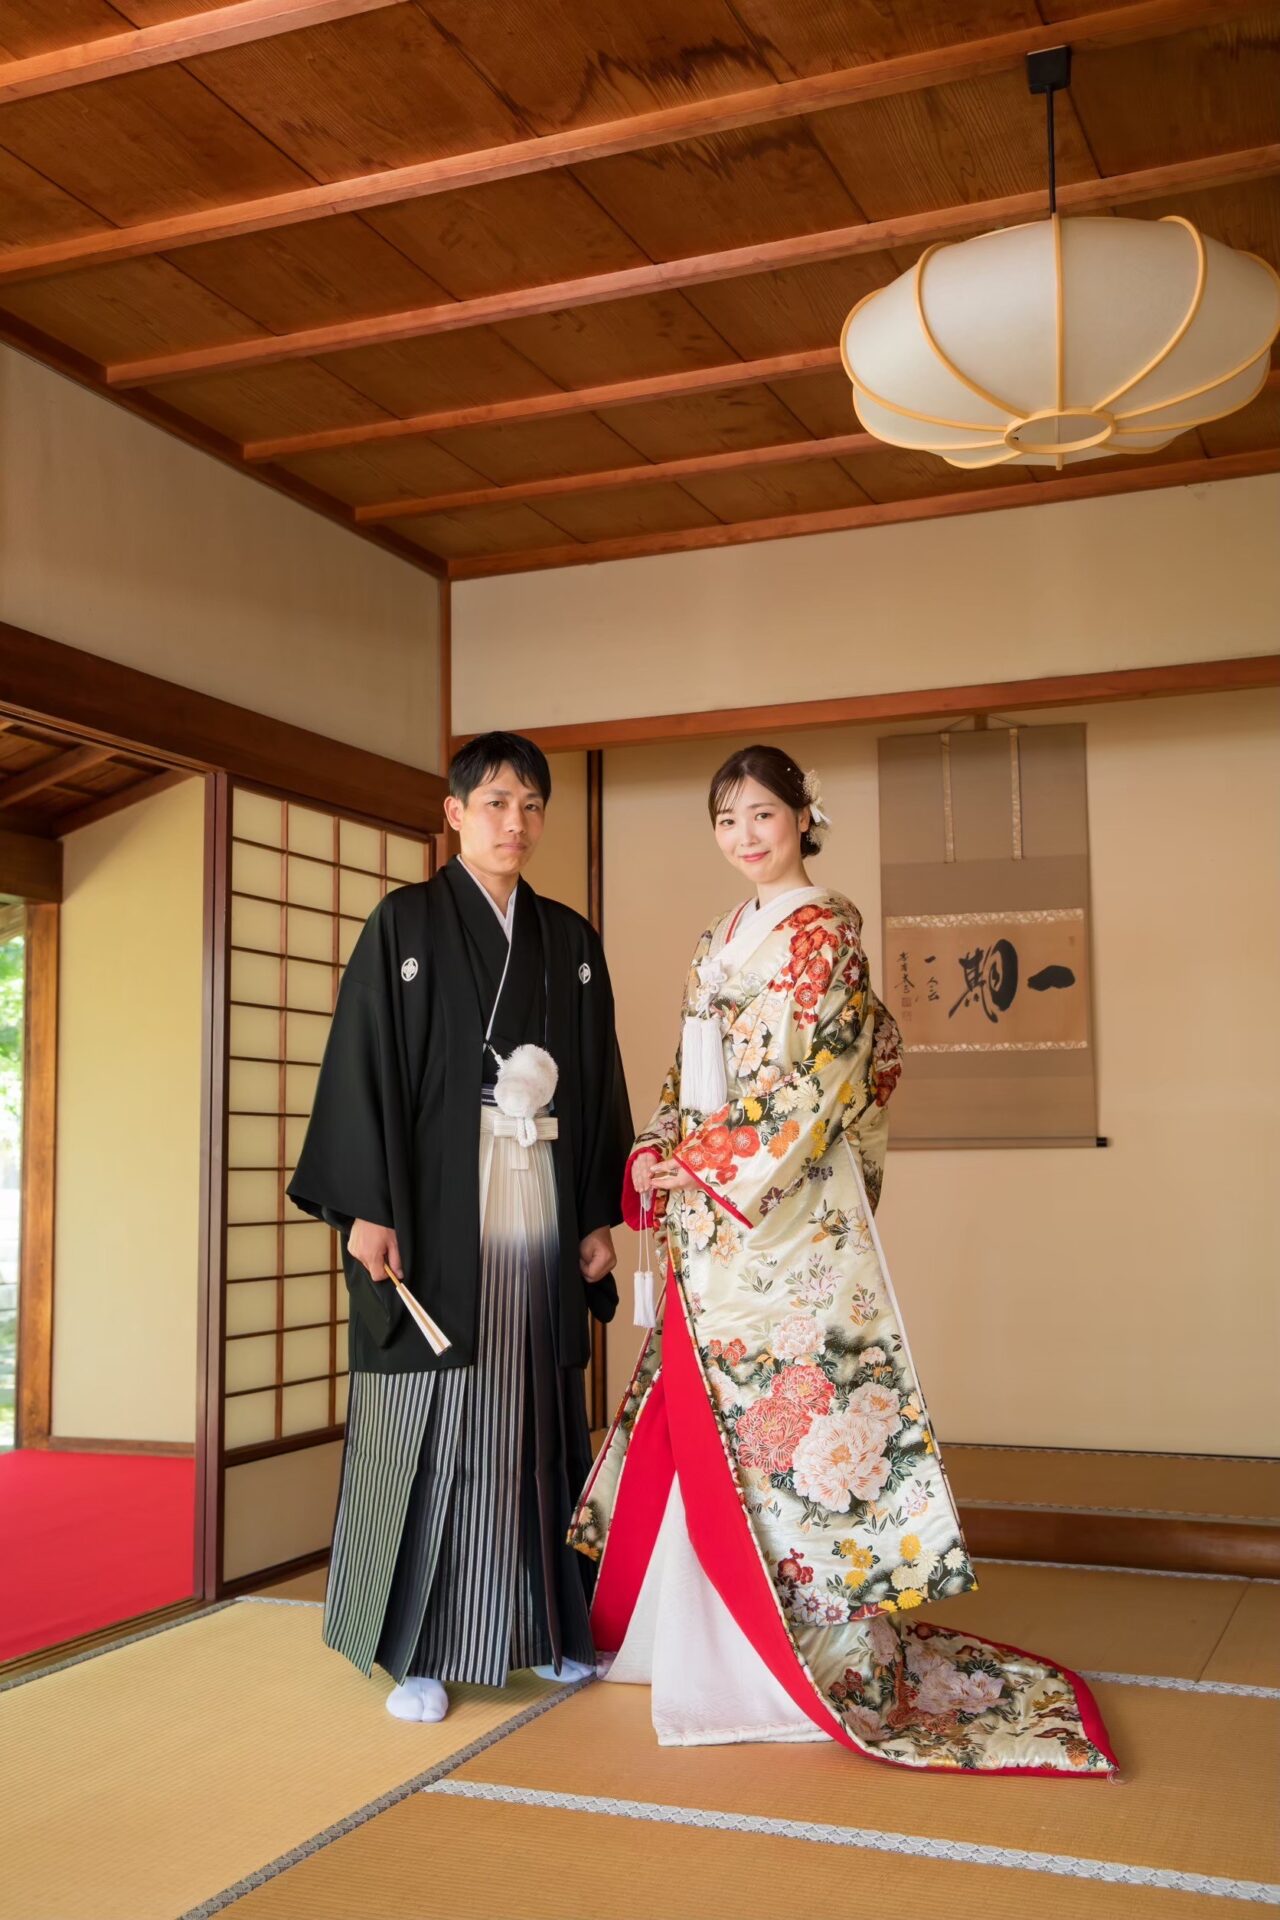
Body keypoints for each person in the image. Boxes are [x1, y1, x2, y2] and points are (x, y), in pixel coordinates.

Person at [570, 744, 1117, 1777]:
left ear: (801, 819)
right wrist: (656, 1148)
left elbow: (819, 1081)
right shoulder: (720, 936)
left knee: (795, 1415)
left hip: (784, 1223)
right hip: (711, 1215)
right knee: (711, 1411)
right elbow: (684, 1069)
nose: (744, 836)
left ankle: (793, 1656)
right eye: (725, 818)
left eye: (761, 815)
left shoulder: (826, 933)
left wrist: (704, 1161)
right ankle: (691, 1638)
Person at [290, 731, 631, 1723]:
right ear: (453, 814)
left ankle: (545, 1629)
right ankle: (420, 1651)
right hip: (436, 1208)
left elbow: (596, 1082)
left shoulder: (568, 942)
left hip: (536, 1197)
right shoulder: (402, 924)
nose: (513, 823)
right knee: (433, 1413)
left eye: (530, 805)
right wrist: (367, 1207)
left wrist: (596, 1215)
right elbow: (362, 1065)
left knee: (531, 1408)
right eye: (494, 803)